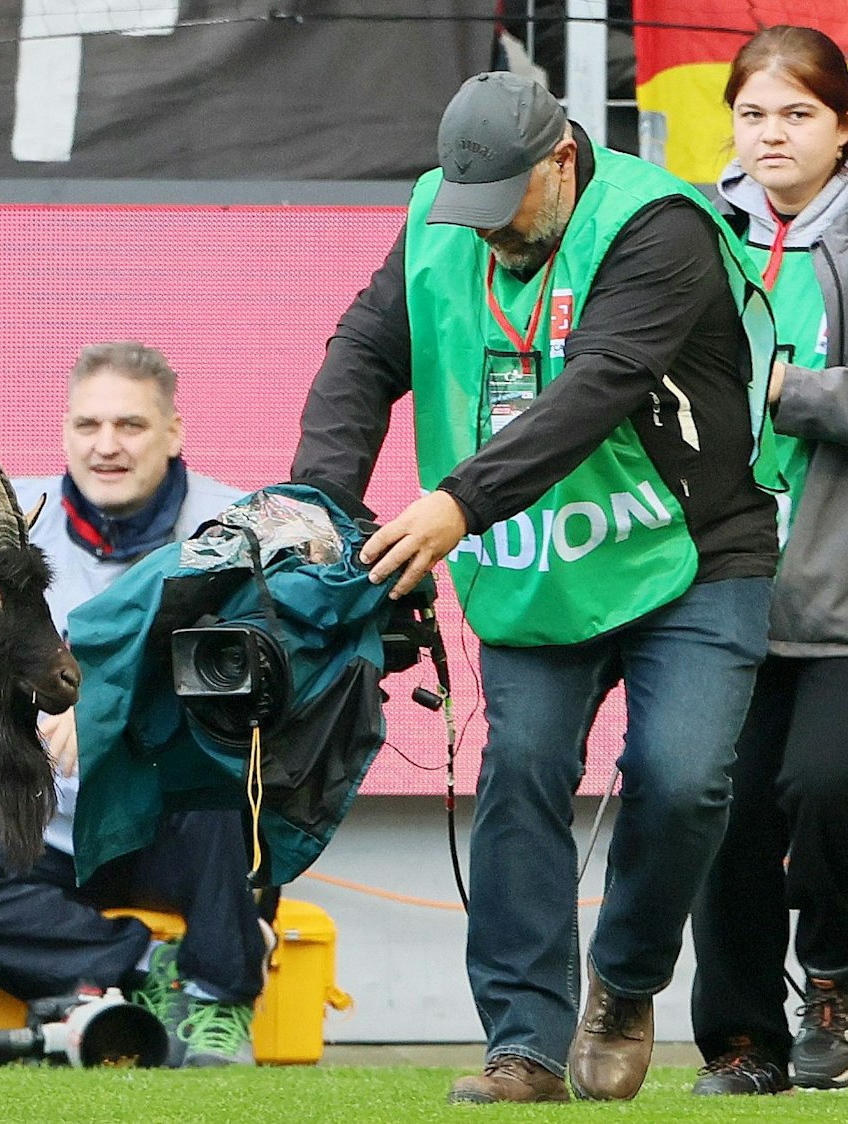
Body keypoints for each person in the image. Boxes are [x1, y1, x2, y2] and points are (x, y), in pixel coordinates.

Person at [291, 71, 781, 1103]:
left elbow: (598, 385)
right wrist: (317, 503)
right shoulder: (442, 215)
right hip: (537, 560)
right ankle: (522, 1044)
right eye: (465, 205)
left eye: (502, 204)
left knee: (682, 776)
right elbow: (363, 353)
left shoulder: (655, 225)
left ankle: (626, 979)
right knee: (519, 769)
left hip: (693, 549)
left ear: (560, 161)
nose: (483, 229)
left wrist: (457, 503)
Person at [0, 341, 266, 1068]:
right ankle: (145, 966)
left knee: (216, 786)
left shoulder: (235, 526)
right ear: (64, 432)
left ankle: (219, 990)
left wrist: (111, 716)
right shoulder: (9, 527)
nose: (105, 446)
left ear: (173, 433)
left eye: (130, 425)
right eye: (88, 425)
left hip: (180, 829)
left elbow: (255, 690)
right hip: (50, 828)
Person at [688, 24, 848, 1097]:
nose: (771, 135)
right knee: (716, 806)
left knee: (824, 784)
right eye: (751, 113)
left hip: (840, 597)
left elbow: (766, 387)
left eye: (797, 113)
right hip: (718, 588)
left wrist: (784, 389)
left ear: (844, 128)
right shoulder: (693, 235)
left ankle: (833, 983)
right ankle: (741, 1041)